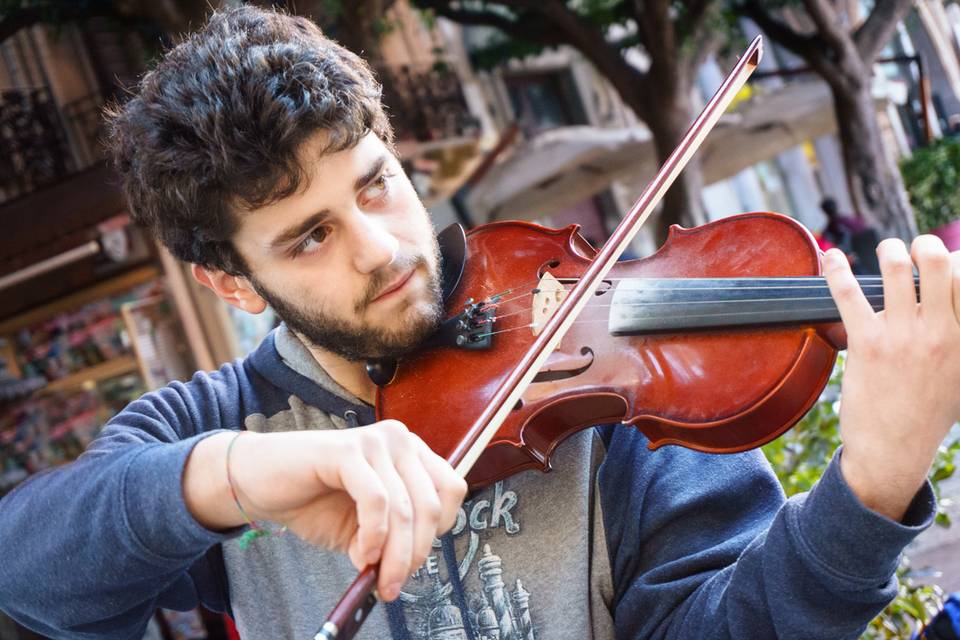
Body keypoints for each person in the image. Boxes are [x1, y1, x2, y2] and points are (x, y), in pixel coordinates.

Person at [1, 7, 959, 639]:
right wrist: (241, 474)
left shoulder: (611, 372)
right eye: (310, 238)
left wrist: (870, 489)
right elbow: (28, 573)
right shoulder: (226, 423)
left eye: (376, 185)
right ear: (232, 285)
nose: (378, 247)